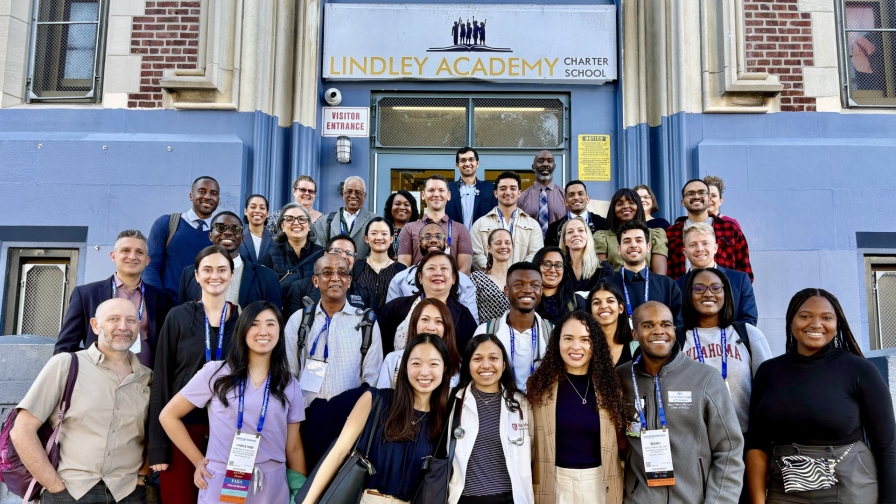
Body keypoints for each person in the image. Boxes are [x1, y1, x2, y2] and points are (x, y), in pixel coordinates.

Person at [745, 289, 896, 504]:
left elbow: (887, 447)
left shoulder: (860, 370)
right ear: (791, 321)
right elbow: (756, 443)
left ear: (837, 323)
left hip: (850, 487)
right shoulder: (769, 372)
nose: (816, 324)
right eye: (805, 316)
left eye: (826, 318)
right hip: (785, 488)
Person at [158, 301, 307, 504]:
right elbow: (168, 416)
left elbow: (294, 447)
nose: (263, 331)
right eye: (254, 324)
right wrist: (198, 460)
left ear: (280, 332)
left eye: (271, 324)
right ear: (243, 330)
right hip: (223, 478)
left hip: (272, 485)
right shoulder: (215, 373)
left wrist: (301, 491)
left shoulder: (289, 384)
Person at [11, 299, 151, 504]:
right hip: (70, 491)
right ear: (95, 325)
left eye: (131, 320)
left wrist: (141, 478)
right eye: (113, 319)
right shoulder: (66, 365)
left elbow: (152, 436)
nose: (123, 326)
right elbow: (22, 431)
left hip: (128, 493)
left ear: (139, 327)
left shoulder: (148, 378)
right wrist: (54, 486)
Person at [297, 334, 452, 504]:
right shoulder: (376, 400)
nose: (424, 371)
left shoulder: (445, 419)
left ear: (444, 369)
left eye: (433, 364)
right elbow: (338, 453)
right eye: (416, 363)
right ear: (404, 366)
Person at [617, 301, 744, 504]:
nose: (659, 331)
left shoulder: (705, 378)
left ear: (674, 331)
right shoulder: (620, 378)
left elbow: (729, 449)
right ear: (634, 334)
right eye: (648, 325)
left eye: (666, 325)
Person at [149, 245, 240, 503]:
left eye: (222, 270)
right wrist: (158, 447)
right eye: (207, 270)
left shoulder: (243, 320)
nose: (215, 276)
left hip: (229, 431)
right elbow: (162, 378)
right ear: (196, 276)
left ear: (231, 275)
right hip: (183, 430)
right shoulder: (178, 316)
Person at [526, 311, 627, 504]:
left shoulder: (610, 386)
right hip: (554, 483)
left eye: (585, 339)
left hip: (600, 483)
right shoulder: (539, 386)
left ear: (595, 344)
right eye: (568, 338)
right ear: (557, 342)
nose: (576, 346)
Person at [55, 229, 174, 368]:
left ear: (147, 260)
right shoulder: (86, 295)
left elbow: (169, 348)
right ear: (113, 256)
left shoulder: (162, 299)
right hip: (100, 381)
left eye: (139, 252)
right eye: (125, 250)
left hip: (146, 381)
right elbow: (65, 348)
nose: (132, 256)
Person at [679, 268, 771, 435]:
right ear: (688, 294)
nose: (708, 293)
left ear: (726, 293)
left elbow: (769, 389)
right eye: (699, 288)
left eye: (715, 288)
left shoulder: (748, 334)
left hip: (744, 439)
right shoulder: (678, 339)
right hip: (695, 442)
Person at [283, 254, 384, 403]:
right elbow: (289, 374)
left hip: (351, 416)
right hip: (307, 414)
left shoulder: (366, 322)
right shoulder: (299, 320)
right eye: (327, 272)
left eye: (342, 272)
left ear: (349, 281)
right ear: (315, 281)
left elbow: (372, 378)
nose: (335, 278)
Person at [447, 334, 535, 504]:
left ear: (503, 365)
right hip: (464, 498)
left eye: (493, 358)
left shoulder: (521, 404)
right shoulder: (453, 400)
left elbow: (531, 452)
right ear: (468, 365)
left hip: (508, 498)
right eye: (477, 358)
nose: (486, 365)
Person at [474, 261, 552, 392]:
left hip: (540, 406)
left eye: (534, 285)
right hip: (500, 406)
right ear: (506, 290)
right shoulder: (485, 331)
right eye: (519, 284)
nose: (527, 290)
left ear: (541, 291)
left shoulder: (552, 333)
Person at [179, 211, 281, 310]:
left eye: (235, 229)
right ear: (210, 236)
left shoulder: (267, 277)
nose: (228, 232)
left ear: (242, 238)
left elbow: (274, 321)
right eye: (220, 227)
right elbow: (183, 317)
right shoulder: (189, 274)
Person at [381, 251, 478, 355]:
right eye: (431, 268)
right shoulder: (395, 308)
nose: (437, 273)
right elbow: (382, 350)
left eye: (444, 268)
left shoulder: (464, 316)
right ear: (420, 277)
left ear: (453, 278)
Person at [143, 176, 219, 302]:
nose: (207, 196)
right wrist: (158, 301)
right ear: (191, 195)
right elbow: (150, 266)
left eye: (213, 193)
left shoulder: (220, 234)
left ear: (218, 200)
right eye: (201, 191)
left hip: (205, 311)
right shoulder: (167, 223)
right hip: (168, 309)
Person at [387, 222, 479, 322]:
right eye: (427, 237)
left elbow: (470, 322)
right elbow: (390, 320)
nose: (433, 240)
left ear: (446, 244)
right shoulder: (400, 279)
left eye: (439, 237)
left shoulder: (463, 281)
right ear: (418, 244)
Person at [599, 220, 683, 328]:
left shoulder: (667, 285)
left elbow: (679, 326)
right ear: (619, 249)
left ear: (648, 247)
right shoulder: (605, 286)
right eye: (627, 241)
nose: (633, 245)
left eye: (639, 240)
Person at [665, 179, 753, 282]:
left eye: (702, 192)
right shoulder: (670, 233)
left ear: (708, 198)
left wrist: (736, 294)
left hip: (725, 294)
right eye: (690, 193)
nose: (697, 196)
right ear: (683, 202)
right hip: (683, 294)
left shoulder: (730, 228)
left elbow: (744, 268)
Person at [675, 223, 757, 325]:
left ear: (715, 248)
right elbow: (677, 325)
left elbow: (748, 320)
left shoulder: (740, 280)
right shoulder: (676, 286)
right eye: (693, 245)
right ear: (685, 252)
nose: (700, 249)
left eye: (705, 243)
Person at [282, 234, 376, 321]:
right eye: (337, 251)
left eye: (349, 253)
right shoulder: (300, 288)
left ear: (354, 260)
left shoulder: (366, 292)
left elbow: (371, 330)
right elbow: (290, 328)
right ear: (325, 254)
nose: (343, 256)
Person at [377, 298, 461, 389]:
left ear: (447, 327)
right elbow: (381, 398)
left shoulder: (458, 366)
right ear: (414, 323)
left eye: (438, 321)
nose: (431, 327)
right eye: (425, 319)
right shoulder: (393, 360)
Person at [397, 175, 474, 274]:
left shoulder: (460, 230)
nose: (436, 194)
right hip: (416, 287)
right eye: (431, 190)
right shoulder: (409, 229)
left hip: (452, 288)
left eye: (441, 190)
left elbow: (465, 269)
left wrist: (447, 287)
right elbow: (403, 267)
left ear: (448, 195)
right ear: (423, 195)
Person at [471, 171, 544, 270]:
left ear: (519, 193)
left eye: (513, 188)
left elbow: (536, 254)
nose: (508, 192)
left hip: (521, 281)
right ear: (496, 193)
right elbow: (476, 255)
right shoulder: (480, 224)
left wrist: (516, 274)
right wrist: (495, 274)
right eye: (503, 188)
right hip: (489, 281)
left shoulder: (533, 224)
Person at [593, 188, 668, 275]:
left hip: (648, 286)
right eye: (620, 204)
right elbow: (601, 274)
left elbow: (660, 276)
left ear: (639, 207)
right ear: (613, 209)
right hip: (613, 286)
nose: (625, 206)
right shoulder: (602, 237)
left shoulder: (655, 235)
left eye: (631, 203)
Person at [260, 203, 325, 300]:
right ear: (282, 225)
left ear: (309, 225)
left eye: (302, 219)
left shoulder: (322, 255)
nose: (296, 223)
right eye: (289, 219)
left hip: (316, 313)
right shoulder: (270, 257)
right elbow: (262, 293)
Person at [312, 176, 377, 260]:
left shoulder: (375, 221)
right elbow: (319, 252)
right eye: (349, 191)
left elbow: (377, 251)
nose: (353, 196)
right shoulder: (324, 222)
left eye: (358, 192)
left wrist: (360, 268)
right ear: (343, 194)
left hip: (363, 271)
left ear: (364, 195)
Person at [353, 218, 408, 315]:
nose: (379, 238)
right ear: (366, 238)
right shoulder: (356, 266)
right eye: (374, 233)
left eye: (384, 233)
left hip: (390, 327)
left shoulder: (401, 270)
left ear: (391, 239)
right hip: (359, 326)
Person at [446, 147, 497, 230]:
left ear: (478, 163)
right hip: (454, 241)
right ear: (457, 165)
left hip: (482, 241)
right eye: (463, 160)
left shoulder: (490, 189)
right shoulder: (447, 189)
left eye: (471, 159)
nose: (467, 163)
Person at [544, 180, 608, 247]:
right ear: (565, 201)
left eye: (580, 194)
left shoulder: (603, 224)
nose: (576, 198)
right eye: (571, 195)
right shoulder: (554, 228)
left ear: (587, 199)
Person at [532, 246, 586, 325]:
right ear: (537, 267)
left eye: (558, 265)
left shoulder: (576, 301)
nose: (552, 270)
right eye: (547, 264)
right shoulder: (526, 299)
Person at [588, 283, 637, 366]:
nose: (603, 306)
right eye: (596, 302)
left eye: (610, 301)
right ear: (590, 310)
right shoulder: (584, 347)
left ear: (620, 308)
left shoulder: (636, 347)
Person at [470, 228, 512, 324]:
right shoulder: (477, 278)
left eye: (507, 243)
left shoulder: (519, 277)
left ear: (512, 247)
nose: (503, 246)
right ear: (489, 248)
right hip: (486, 334)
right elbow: (471, 313)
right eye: (498, 243)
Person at [559, 216, 612, 292]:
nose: (576, 234)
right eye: (570, 232)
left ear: (588, 237)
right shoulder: (558, 268)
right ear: (565, 241)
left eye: (580, 230)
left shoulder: (604, 268)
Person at [518, 150, 566, 234]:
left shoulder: (565, 195)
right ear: (533, 167)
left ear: (554, 167)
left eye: (549, 161)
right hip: (531, 246)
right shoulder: (522, 197)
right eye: (540, 161)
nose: (545, 164)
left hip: (557, 245)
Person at [382, 190, 419, 261]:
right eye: (397, 204)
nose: (402, 207)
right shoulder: (382, 229)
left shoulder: (418, 231)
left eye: (406, 205)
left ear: (412, 209)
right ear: (390, 207)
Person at [240, 193, 274, 264]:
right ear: (245, 211)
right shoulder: (237, 238)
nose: (258, 211)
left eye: (262, 208)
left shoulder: (276, 240)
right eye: (253, 207)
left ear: (267, 213)